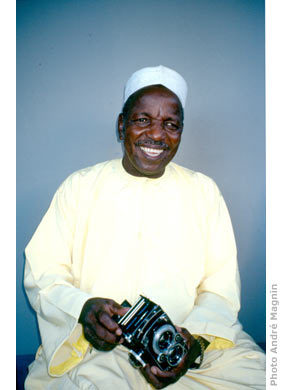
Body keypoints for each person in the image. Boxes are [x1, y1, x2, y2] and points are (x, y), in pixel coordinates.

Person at [24, 65, 265, 389]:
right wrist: (84, 310)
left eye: (171, 124)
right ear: (122, 125)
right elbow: (44, 273)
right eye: (142, 120)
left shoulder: (203, 191)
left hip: (191, 346)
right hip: (102, 349)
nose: (156, 135)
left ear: (180, 131)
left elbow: (219, 289)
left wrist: (192, 343)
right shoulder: (79, 187)